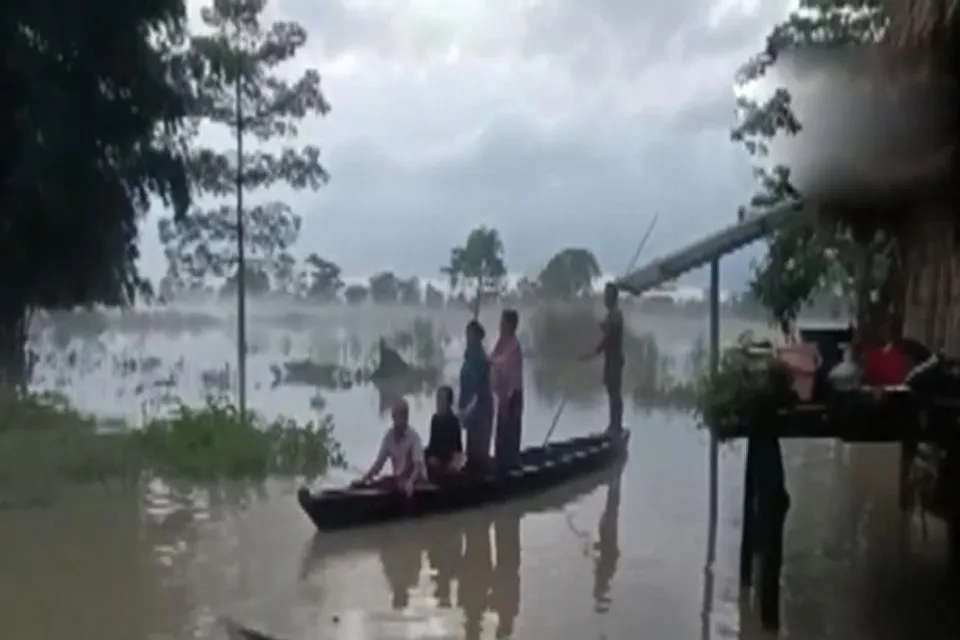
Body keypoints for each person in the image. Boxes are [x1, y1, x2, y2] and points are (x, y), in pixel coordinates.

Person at [355, 398, 427, 496]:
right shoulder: (389, 436)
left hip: (416, 481)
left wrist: (410, 482)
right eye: (395, 416)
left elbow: (418, 466)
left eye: (401, 416)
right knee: (380, 484)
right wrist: (366, 478)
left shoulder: (414, 437)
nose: (397, 420)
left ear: (406, 418)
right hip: (399, 480)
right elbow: (379, 463)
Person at [581, 283, 624, 433]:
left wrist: (594, 353)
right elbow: (609, 332)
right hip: (611, 358)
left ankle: (616, 426)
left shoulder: (615, 314)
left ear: (614, 298)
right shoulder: (612, 315)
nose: (605, 299)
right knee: (612, 392)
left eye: (608, 295)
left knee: (614, 393)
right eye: (605, 295)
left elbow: (609, 339)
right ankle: (614, 425)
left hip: (615, 359)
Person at [459, 320, 494, 472]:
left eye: (470, 335)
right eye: (467, 335)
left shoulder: (480, 359)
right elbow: (464, 386)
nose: (467, 338)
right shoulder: (469, 357)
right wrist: (461, 409)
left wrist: (468, 410)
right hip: (470, 409)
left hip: (480, 410)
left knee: (479, 450)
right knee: (471, 450)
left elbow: (478, 390)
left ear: (477, 338)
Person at [491, 309, 523, 470]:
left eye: (503, 322)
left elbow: (506, 372)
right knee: (501, 435)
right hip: (502, 395)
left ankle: (510, 467)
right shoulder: (502, 342)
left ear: (511, 325)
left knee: (510, 434)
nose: (500, 325)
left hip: (512, 396)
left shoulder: (514, 347)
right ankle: (501, 464)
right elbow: (492, 359)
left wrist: (505, 402)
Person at [425, 385, 464, 480]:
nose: (438, 403)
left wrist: (442, 459)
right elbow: (432, 443)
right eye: (438, 400)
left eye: (441, 400)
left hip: (450, 457)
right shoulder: (435, 419)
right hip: (437, 456)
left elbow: (457, 447)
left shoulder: (454, 421)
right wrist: (430, 455)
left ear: (449, 403)